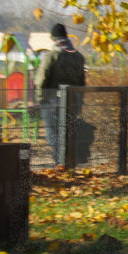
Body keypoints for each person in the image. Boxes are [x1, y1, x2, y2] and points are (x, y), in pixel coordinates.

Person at [34, 23, 86, 166]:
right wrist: (79, 103)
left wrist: (40, 100)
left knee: (53, 135)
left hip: (52, 102)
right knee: (68, 133)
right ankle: (69, 163)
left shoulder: (51, 56)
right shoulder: (78, 57)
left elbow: (41, 79)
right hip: (73, 101)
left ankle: (59, 164)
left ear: (53, 39)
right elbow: (82, 83)